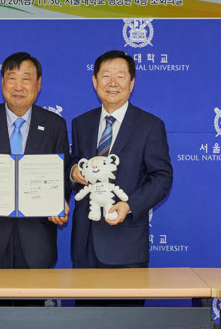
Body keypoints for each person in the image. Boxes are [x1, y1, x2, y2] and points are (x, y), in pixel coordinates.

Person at [0, 52, 70, 275]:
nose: (19, 86)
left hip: (37, 240)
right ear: (2, 82)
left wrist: (60, 201)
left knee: (31, 311)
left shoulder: (55, 125)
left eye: (26, 78)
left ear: (38, 84)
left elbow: (63, 172)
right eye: (12, 78)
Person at [70, 50, 173, 275]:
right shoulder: (81, 123)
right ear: (95, 81)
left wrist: (129, 205)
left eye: (121, 76)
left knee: (126, 311)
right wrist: (72, 171)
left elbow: (162, 178)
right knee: (85, 312)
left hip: (126, 244)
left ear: (132, 83)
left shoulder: (150, 125)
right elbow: (75, 162)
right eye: (106, 75)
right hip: (84, 243)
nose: (113, 83)